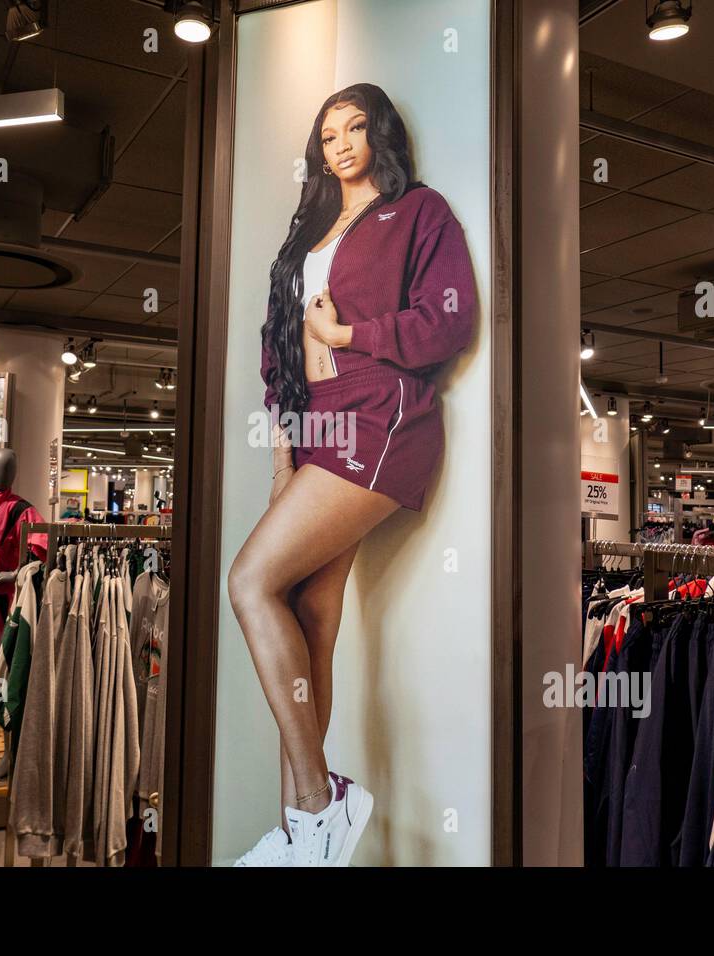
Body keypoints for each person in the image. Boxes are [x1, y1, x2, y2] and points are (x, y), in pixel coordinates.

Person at [230, 83, 475, 867]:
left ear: (380, 134)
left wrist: (353, 330)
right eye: (327, 132)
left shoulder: (420, 211)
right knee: (311, 614)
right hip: (315, 420)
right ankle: (306, 838)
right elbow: (278, 357)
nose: (339, 144)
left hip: (381, 414)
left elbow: (450, 317)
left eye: (355, 127)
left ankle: (317, 803)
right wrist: (283, 457)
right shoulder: (308, 228)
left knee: (248, 582)